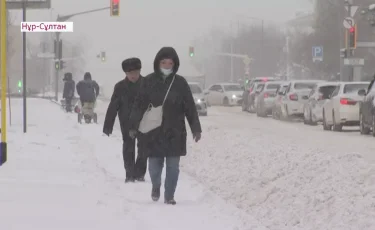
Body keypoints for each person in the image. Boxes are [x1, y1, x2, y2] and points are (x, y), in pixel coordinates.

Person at [128, 47, 202, 205]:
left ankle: (169, 196)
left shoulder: (180, 83)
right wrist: (133, 126)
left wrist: (196, 128)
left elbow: (190, 106)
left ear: (175, 64)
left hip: (175, 132)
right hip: (153, 133)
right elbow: (139, 105)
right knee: (154, 168)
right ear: (157, 63)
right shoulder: (148, 81)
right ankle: (156, 185)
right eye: (164, 62)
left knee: (173, 168)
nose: (167, 66)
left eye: (170, 63)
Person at [103, 58, 147, 183]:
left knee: (144, 147)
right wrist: (108, 126)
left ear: (139, 71)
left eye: (135, 72)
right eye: (130, 73)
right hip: (126, 121)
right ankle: (129, 174)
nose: (133, 75)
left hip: (144, 122)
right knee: (128, 147)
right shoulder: (120, 87)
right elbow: (113, 107)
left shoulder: (147, 84)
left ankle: (139, 173)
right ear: (126, 74)